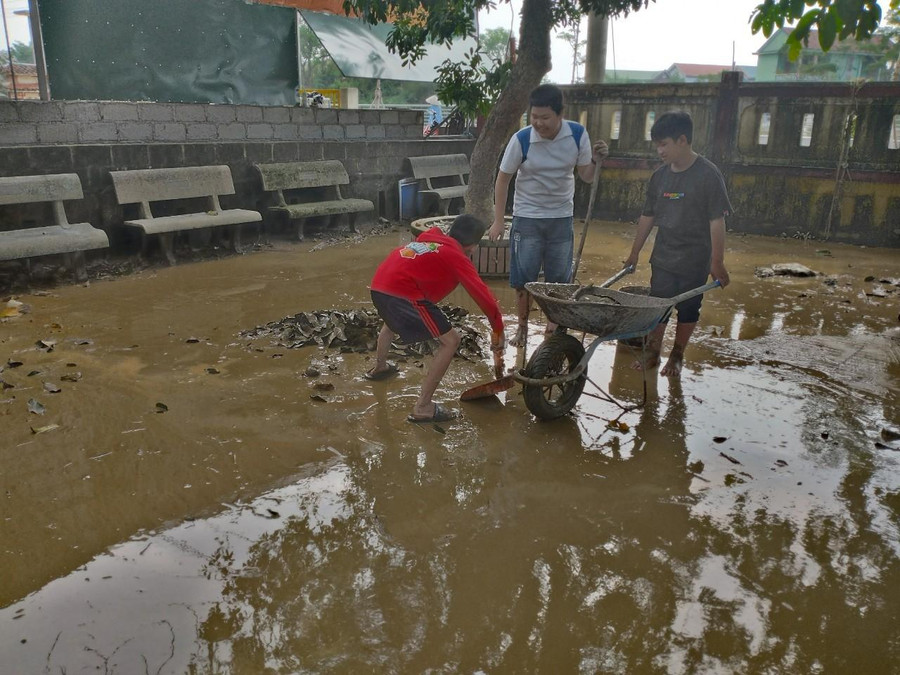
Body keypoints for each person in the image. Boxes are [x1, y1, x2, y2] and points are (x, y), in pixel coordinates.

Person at [488, 83, 609, 346]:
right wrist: (498, 221)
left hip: (561, 217)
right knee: (524, 279)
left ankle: (552, 329)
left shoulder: (577, 135)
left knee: (559, 280)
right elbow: (503, 179)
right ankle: (522, 327)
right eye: (534, 117)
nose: (538, 123)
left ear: (560, 114)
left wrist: (596, 161)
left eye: (545, 117)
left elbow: (587, 176)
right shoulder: (522, 139)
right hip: (527, 216)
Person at [623, 111, 732, 377]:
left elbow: (717, 221)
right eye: (657, 145)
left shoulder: (708, 175)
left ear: (682, 140)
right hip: (664, 256)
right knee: (659, 304)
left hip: (695, 259)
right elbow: (648, 216)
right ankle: (653, 352)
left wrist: (717, 262)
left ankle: (677, 354)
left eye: (664, 144)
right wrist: (634, 252)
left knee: (689, 308)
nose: (659, 151)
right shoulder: (660, 176)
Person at [367, 214, 505, 423]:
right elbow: (483, 296)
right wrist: (498, 329)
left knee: (391, 322)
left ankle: (380, 368)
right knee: (451, 341)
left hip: (379, 287)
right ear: (473, 247)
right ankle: (423, 407)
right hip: (402, 294)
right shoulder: (456, 256)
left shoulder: (430, 240)